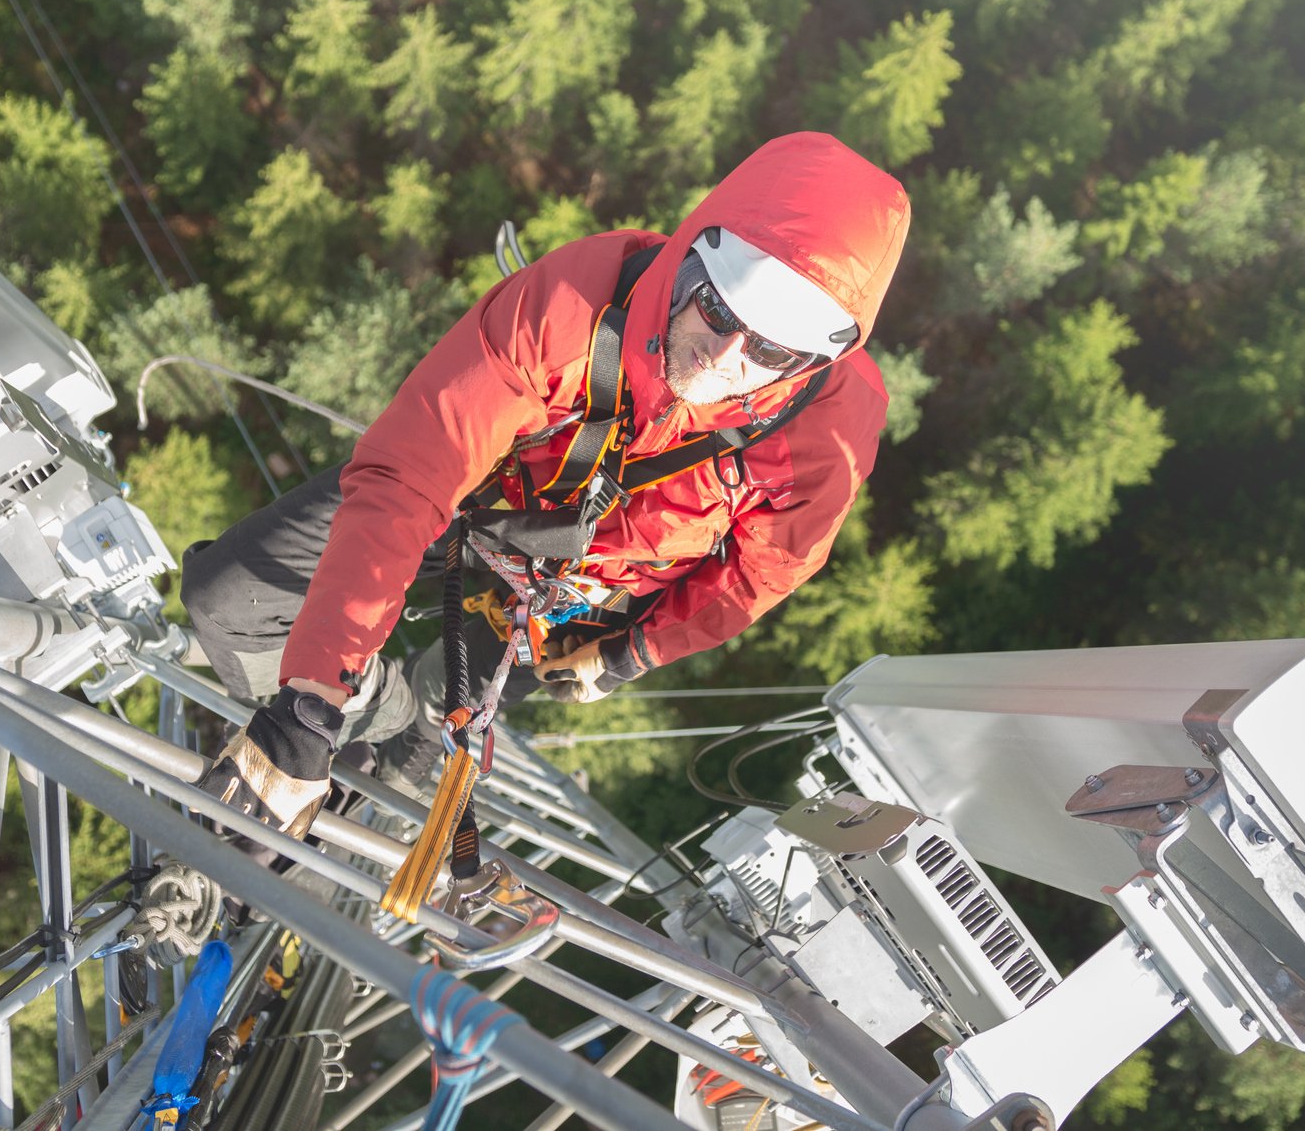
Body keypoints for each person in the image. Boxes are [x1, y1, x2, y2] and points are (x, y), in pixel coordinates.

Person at [183, 132, 910, 836]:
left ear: (813, 361)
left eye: (770, 349)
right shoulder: (573, 303)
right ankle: (344, 709)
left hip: (585, 598)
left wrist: (637, 652)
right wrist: (312, 697)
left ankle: (373, 746)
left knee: (434, 726)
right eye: (716, 308)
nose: (724, 355)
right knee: (229, 598)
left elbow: (763, 570)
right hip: (478, 505)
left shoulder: (826, 433)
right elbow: (412, 470)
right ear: (690, 257)